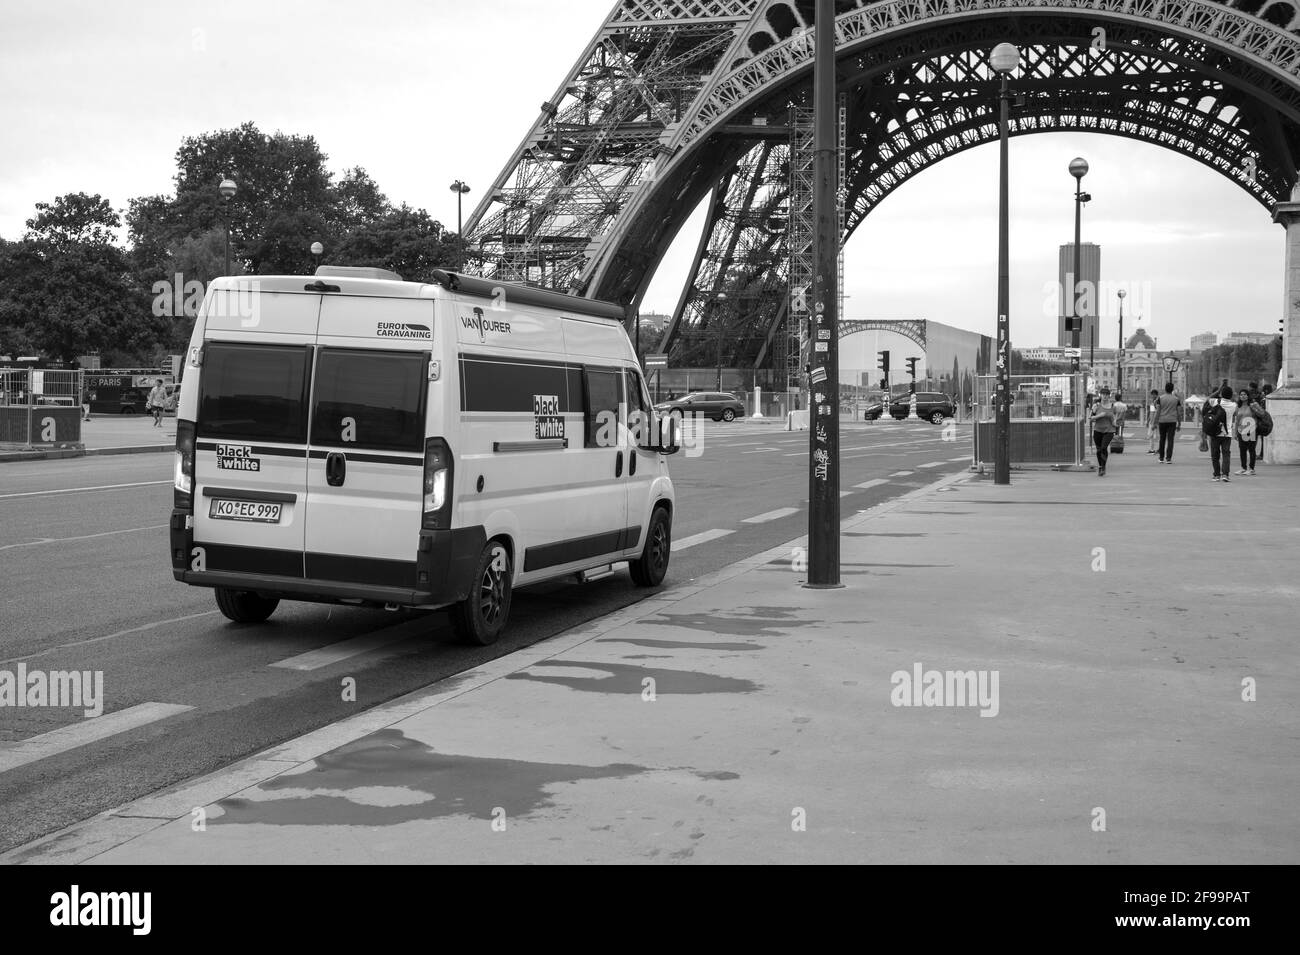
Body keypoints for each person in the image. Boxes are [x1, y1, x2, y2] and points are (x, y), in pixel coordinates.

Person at [1205, 386, 1237, 482]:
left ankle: (1216, 475)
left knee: (1215, 455)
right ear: (1231, 395)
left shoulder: (1215, 402)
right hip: (1227, 434)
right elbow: (1235, 414)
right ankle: (1225, 475)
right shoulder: (1234, 405)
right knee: (1226, 454)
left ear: (1221, 394)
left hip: (1215, 432)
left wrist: (1217, 392)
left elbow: (1207, 400)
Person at [1089, 387, 1117, 476]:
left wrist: (1116, 423)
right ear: (1100, 395)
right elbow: (1090, 419)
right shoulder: (1096, 406)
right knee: (1098, 450)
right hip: (1098, 430)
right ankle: (1100, 466)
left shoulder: (1113, 406)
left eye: (1106, 395)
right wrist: (1099, 416)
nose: (1105, 396)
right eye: (1103, 394)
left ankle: (1103, 467)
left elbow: (1113, 420)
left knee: (1104, 447)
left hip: (1109, 430)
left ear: (1109, 396)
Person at [1154, 381, 1182, 463]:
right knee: (1170, 440)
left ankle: (1161, 457)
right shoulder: (1176, 399)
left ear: (1165, 389)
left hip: (1162, 421)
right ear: (1172, 389)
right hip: (1172, 421)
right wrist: (1179, 423)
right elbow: (1179, 412)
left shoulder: (1160, 398)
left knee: (1162, 439)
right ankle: (1168, 458)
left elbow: (1158, 411)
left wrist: (1155, 423)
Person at [1234, 390, 1258, 475]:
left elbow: (1259, 415)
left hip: (1251, 429)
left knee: (1251, 449)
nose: (1243, 396)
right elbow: (1237, 420)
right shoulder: (1238, 406)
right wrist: (1235, 432)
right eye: (1241, 395)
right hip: (1241, 430)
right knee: (1242, 450)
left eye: (1245, 394)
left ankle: (1251, 469)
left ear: (1248, 396)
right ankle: (1243, 468)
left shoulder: (1252, 405)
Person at [1145, 389, 1160, 453]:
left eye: (1154, 394)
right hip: (1152, 422)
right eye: (1152, 394)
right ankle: (1152, 449)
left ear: (1156, 395)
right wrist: (1148, 421)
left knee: (1157, 436)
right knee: (1150, 435)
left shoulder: (1158, 402)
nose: (1152, 396)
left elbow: (1158, 412)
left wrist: (1155, 422)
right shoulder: (1152, 402)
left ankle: (1159, 449)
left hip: (1156, 422)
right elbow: (1151, 412)